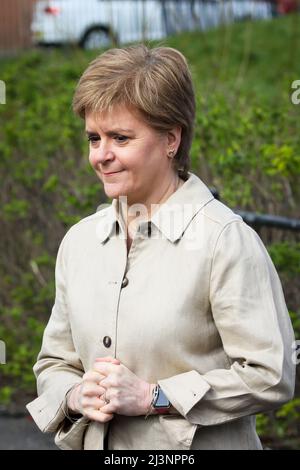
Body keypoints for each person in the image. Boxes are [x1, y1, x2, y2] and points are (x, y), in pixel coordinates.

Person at [27, 44, 295, 450]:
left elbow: (272, 373)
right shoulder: (79, 242)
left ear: (171, 138)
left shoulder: (224, 240)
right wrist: (73, 394)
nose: (101, 155)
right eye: (93, 138)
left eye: (120, 137)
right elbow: (54, 362)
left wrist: (155, 397)